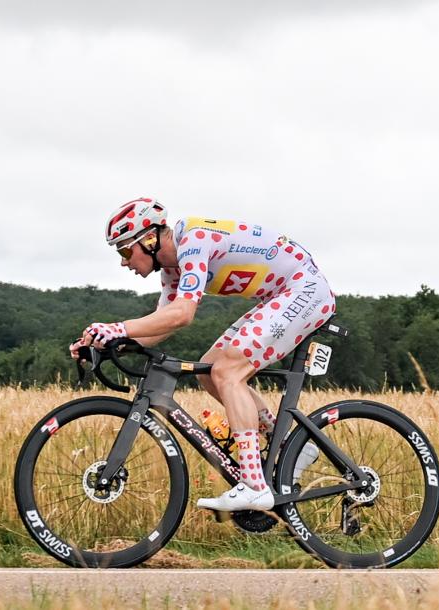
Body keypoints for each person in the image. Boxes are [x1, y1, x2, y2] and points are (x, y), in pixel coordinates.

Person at [71, 198, 335, 512]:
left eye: (125, 251)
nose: (124, 262)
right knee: (208, 372)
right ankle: (292, 448)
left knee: (227, 372)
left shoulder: (193, 240)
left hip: (304, 289)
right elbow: (161, 326)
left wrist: (119, 327)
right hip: (281, 295)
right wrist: (106, 340)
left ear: (150, 239)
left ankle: (253, 484)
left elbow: (183, 313)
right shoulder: (171, 272)